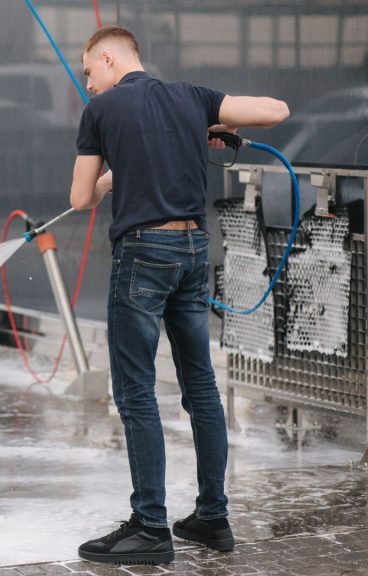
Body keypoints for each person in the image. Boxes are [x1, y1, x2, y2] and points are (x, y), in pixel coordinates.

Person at [68, 25, 289, 565]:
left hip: (143, 257)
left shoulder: (101, 112)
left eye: (89, 70)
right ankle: (213, 516)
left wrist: (112, 174)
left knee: (137, 394)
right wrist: (209, 122)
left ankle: (149, 526)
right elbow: (277, 110)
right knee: (201, 388)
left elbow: (78, 198)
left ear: (112, 58)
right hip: (193, 252)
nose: (89, 83)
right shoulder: (193, 97)